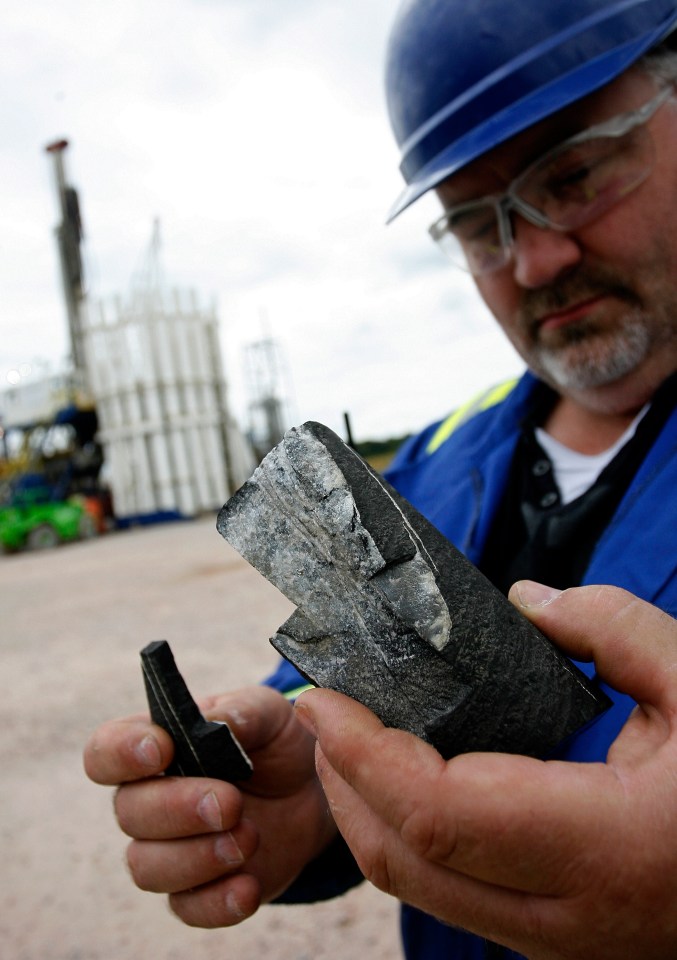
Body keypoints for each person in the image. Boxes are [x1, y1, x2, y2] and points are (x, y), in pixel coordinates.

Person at [84, 0, 677, 957]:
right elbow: (338, 723)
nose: (533, 260)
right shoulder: (440, 459)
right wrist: (308, 797)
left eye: (571, 177)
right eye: (478, 225)